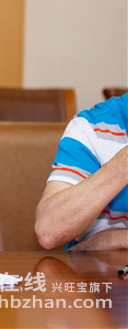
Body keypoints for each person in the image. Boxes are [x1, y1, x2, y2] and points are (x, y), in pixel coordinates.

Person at [35, 93, 127, 250]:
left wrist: (117, 238)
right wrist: (123, 163)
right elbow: (48, 231)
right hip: (94, 264)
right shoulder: (92, 126)